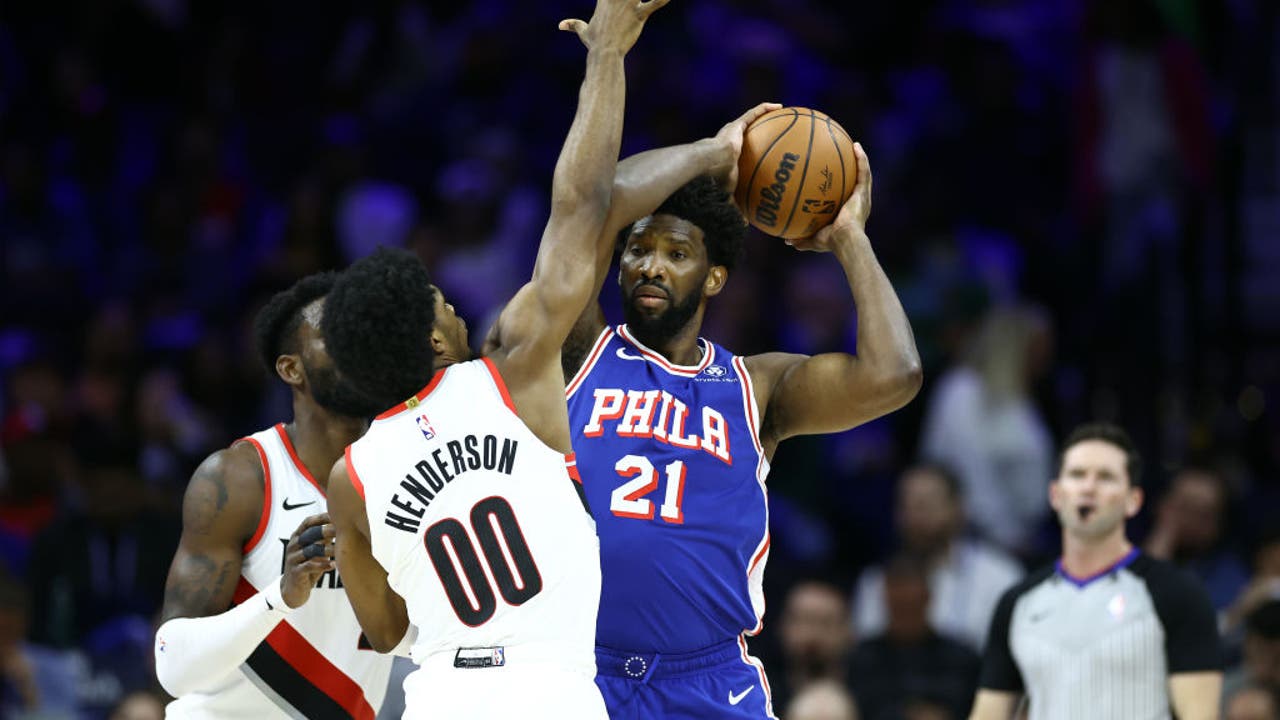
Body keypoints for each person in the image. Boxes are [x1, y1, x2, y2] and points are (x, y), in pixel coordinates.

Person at [320, 1, 668, 717]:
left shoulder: (349, 478)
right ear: (434, 341)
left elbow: (383, 631)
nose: (455, 305)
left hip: (443, 696)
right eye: (442, 302)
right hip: (553, 692)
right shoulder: (511, 373)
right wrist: (607, 56)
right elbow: (580, 206)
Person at [560, 113, 922, 717]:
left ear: (714, 278)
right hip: (578, 669)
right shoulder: (580, 349)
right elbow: (596, 200)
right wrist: (709, 152)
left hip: (706, 680)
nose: (651, 265)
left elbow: (895, 375)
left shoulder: (756, 385)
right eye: (639, 249)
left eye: (677, 253)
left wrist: (848, 238)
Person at [153, 272, 395, 719]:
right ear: (291, 368)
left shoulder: (403, 474)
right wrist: (279, 596)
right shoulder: (240, 478)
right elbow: (173, 669)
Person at [969, 422, 1222, 720]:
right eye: (1077, 475)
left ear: (1133, 500)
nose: (1088, 488)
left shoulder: (1178, 595)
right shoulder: (1018, 603)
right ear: (1055, 495)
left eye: (1105, 477)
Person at [853, 463, 1023, 652]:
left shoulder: (1000, 577)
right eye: (906, 506)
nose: (915, 517)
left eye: (925, 505)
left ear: (958, 508)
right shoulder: (875, 580)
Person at [848, 555, 980, 720]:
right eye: (899, 605)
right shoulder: (861, 659)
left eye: (912, 605)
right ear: (885, 599)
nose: (906, 613)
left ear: (928, 598)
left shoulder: (963, 660)